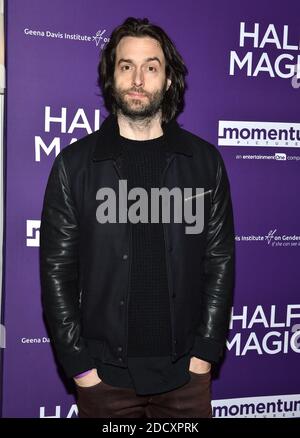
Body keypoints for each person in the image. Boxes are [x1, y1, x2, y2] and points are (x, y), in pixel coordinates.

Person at [39, 16, 235, 418]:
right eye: (126, 66)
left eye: (151, 66)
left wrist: (204, 356)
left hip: (186, 378)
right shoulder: (75, 166)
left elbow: (219, 263)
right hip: (104, 382)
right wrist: (80, 367)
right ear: (112, 78)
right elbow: (57, 271)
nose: (138, 78)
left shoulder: (202, 163)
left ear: (167, 79)